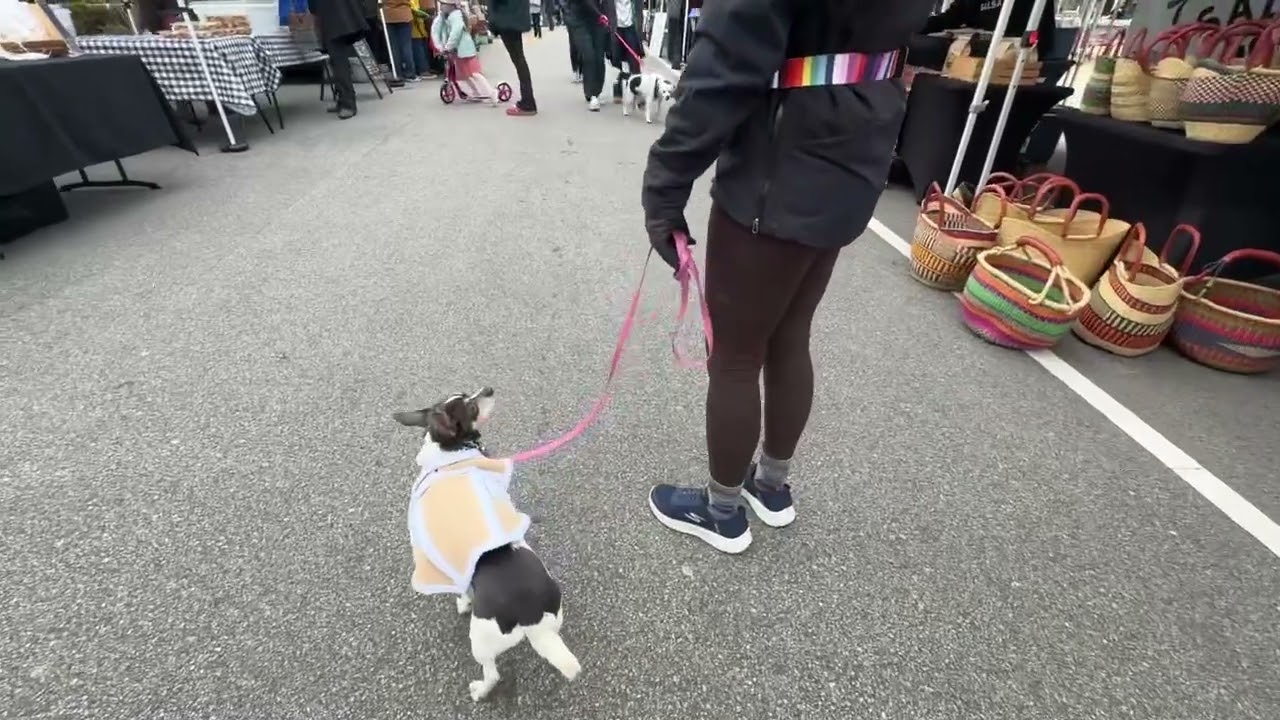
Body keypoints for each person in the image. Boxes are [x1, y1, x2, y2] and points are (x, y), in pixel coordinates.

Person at [640, 0, 937, 553]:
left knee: (734, 352)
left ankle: (721, 510)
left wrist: (664, 186)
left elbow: (722, 67)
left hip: (781, 166)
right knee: (789, 333)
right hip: (855, 147)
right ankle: (770, 485)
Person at [308, 0, 368, 119]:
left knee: (339, 63)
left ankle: (348, 104)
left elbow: (313, 6)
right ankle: (343, 101)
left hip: (334, 20)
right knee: (338, 62)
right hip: (344, 18)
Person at [433, 0, 500, 104]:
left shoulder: (456, 16)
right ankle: (476, 93)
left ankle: (492, 92)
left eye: (443, 4)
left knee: (474, 73)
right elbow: (436, 30)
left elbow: (456, 31)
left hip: (465, 49)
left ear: (452, 6)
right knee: (465, 74)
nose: (441, 6)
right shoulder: (443, 16)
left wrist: (448, 46)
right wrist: (440, 46)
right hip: (456, 51)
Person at [489, 0, 538, 116]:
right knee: (519, 60)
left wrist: (493, 21)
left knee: (519, 60)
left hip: (508, 19)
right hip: (514, 18)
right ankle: (528, 100)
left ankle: (528, 102)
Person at [563, 0, 607, 110]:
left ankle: (596, 92)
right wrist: (599, 14)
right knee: (589, 55)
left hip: (598, 21)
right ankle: (592, 95)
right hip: (579, 20)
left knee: (599, 57)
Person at [605, 0, 643, 105]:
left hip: (631, 27)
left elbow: (639, 13)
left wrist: (640, 33)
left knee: (634, 60)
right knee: (616, 59)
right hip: (615, 28)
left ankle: (636, 91)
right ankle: (617, 91)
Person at [384, 0, 419, 81]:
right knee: (406, 46)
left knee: (393, 47)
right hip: (404, 14)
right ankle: (410, 74)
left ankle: (397, 73)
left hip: (388, 15)